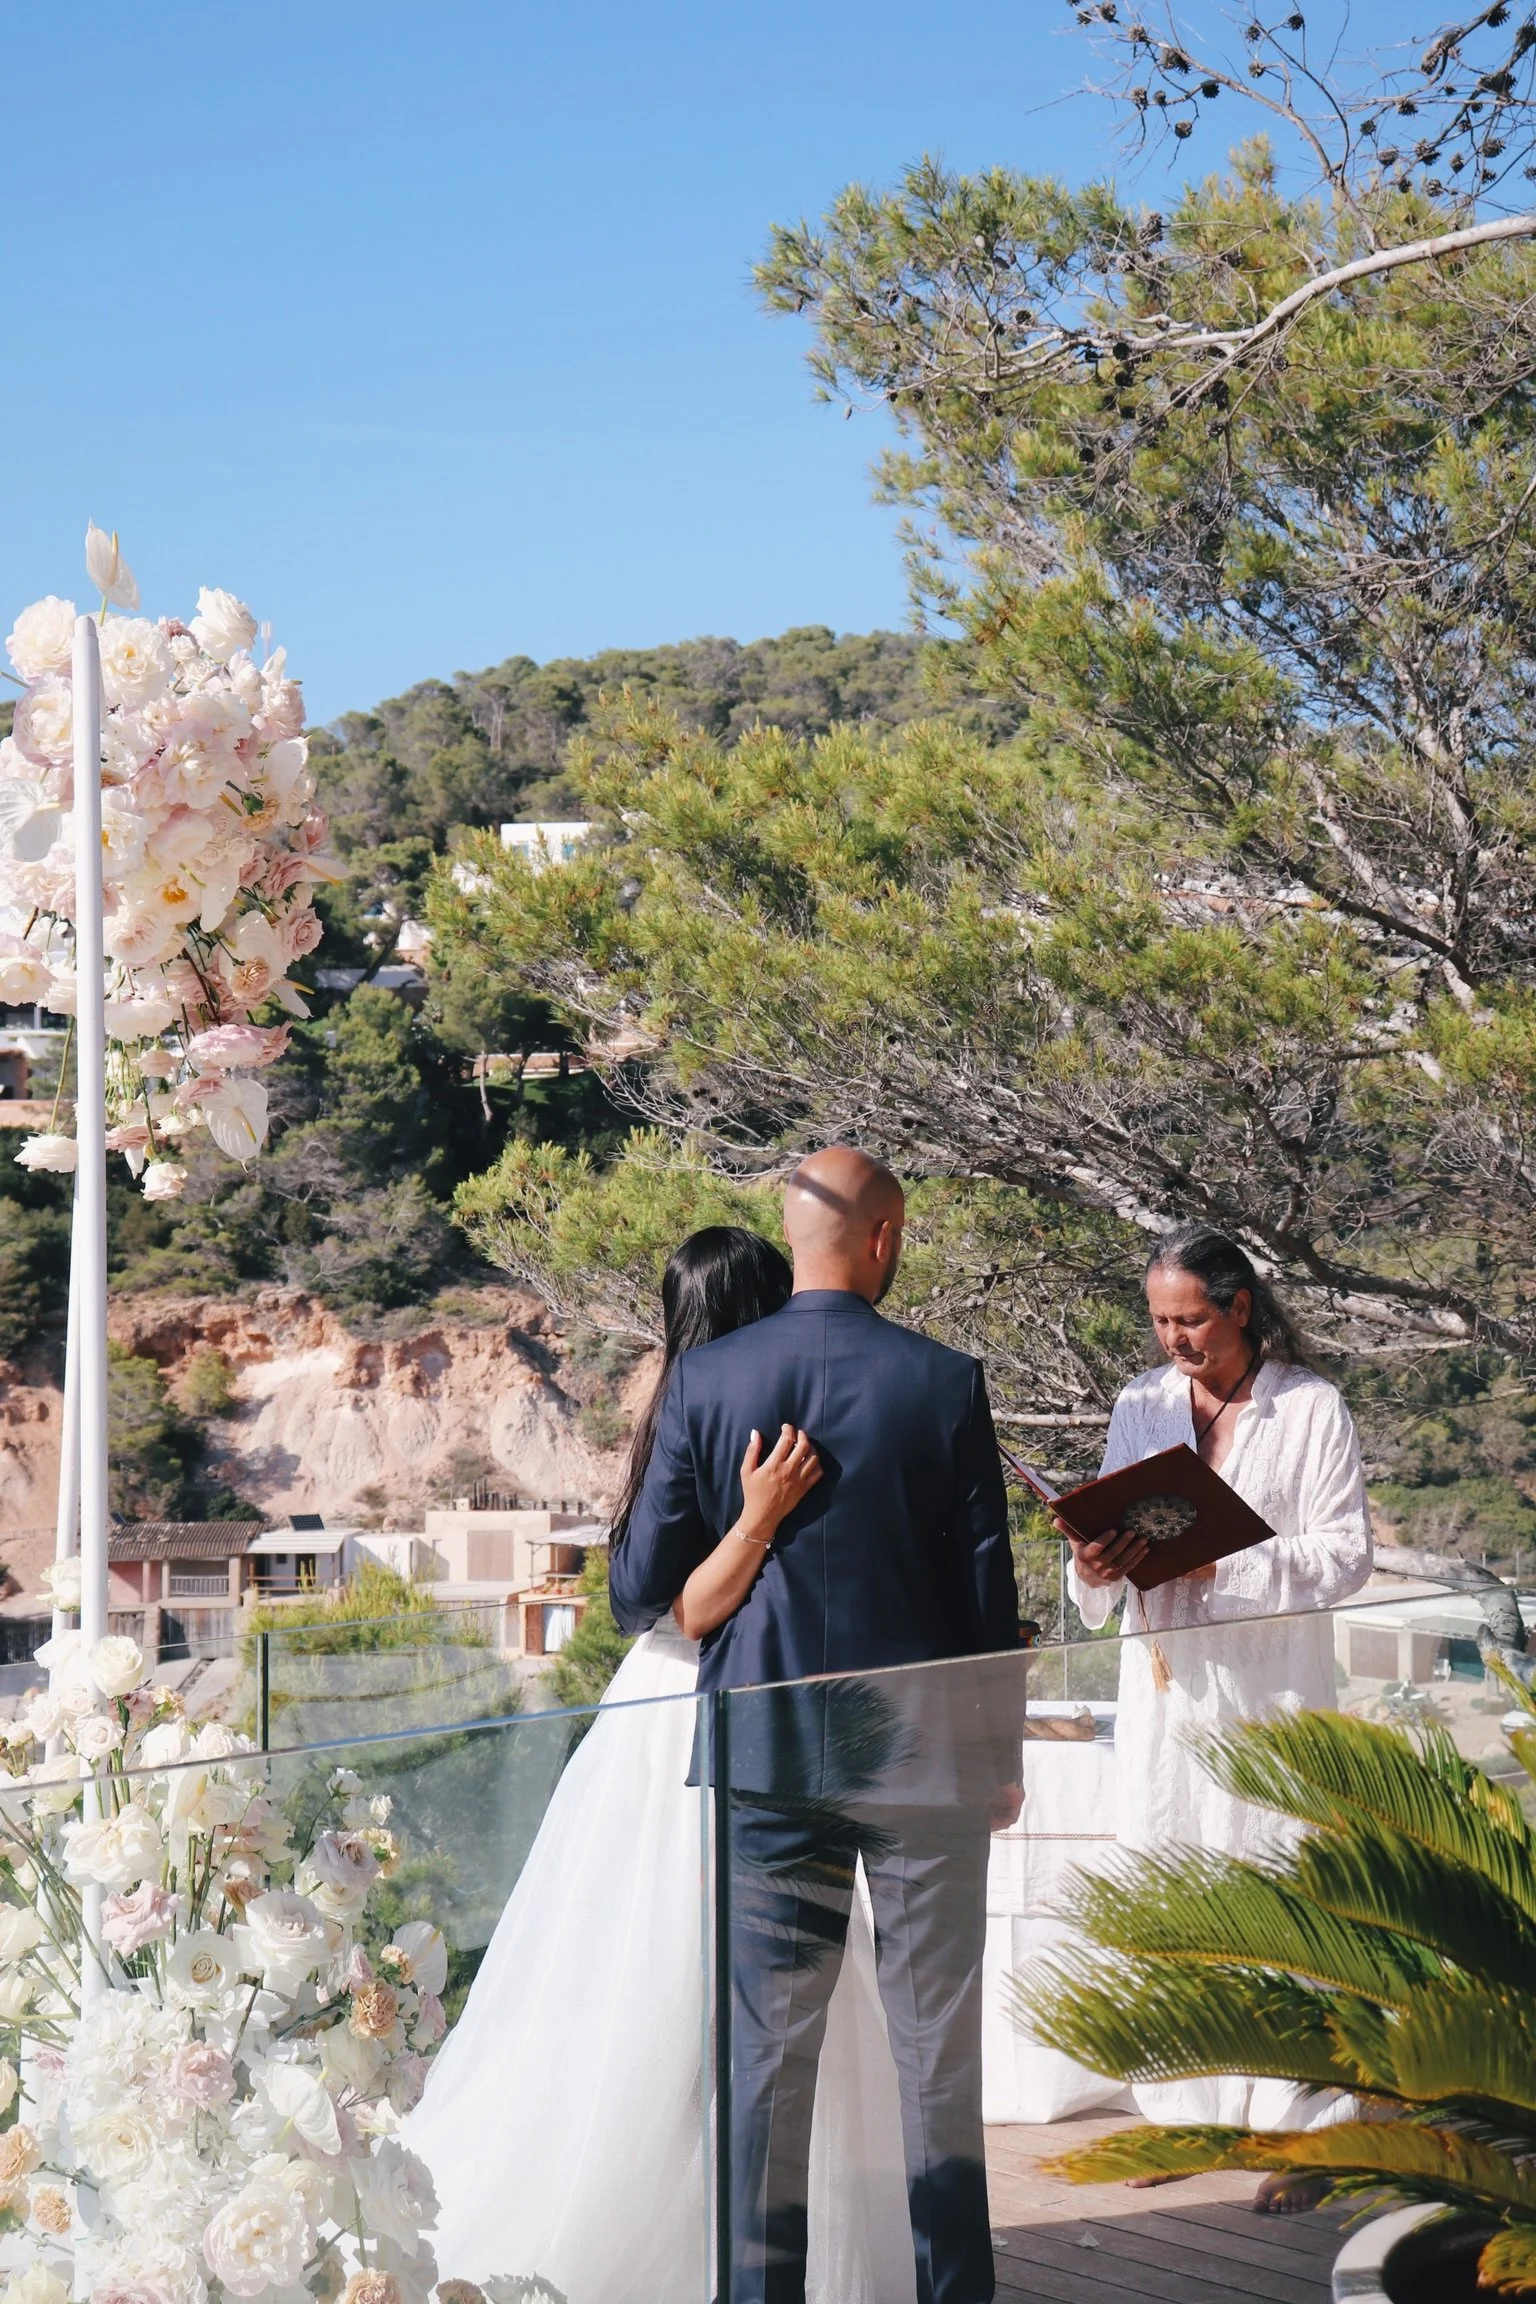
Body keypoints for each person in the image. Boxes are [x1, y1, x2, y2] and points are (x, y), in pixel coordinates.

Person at [404, 1225, 921, 2304]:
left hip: (700, 1710)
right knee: (691, 1984)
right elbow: (658, 1597)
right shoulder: (746, 1408)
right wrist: (762, 1525)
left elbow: (641, 1596)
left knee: (677, 1983)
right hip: (705, 1722)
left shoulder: (696, 1399)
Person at [612, 1147, 1021, 2304]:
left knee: (765, 2062)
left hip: (767, 1761)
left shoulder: (708, 1381)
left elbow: (648, 1592)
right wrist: (1001, 1757)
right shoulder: (945, 1382)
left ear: (792, 1239)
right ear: (885, 1237)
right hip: (926, 1760)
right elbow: (986, 1595)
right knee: (938, 2053)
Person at [1063, 1224, 1373, 2155]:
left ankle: (1292, 2096)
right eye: (1161, 1321)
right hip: (1163, 1688)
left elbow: (1346, 1557)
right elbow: (1109, 1550)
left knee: (1270, 1868)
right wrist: (1094, 1560)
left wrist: (1220, 1568)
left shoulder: (1312, 1409)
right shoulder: (1141, 1402)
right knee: (1172, 1865)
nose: (1175, 1340)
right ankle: (1184, 2095)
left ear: (1240, 1307)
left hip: (1267, 1691)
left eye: (1191, 1319)